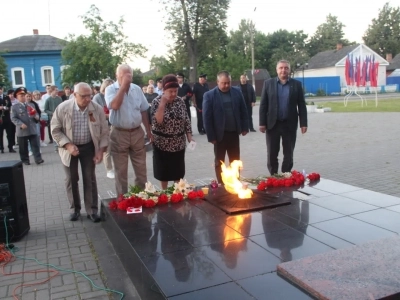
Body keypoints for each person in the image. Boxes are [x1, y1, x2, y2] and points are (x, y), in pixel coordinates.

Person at [51, 82, 109, 222]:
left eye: (90, 96)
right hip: (68, 148)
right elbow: (55, 130)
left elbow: (104, 132)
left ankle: (92, 210)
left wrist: (101, 150)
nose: (88, 99)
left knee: (89, 178)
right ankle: (74, 209)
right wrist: (68, 145)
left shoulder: (97, 108)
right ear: (74, 95)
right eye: (84, 96)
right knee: (71, 179)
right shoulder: (63, 108)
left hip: (88, 147)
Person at [105, 64, 152, 195]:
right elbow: (114, 105)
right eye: (123, 76)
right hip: (119, 133)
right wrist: (123, 87)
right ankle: (122, 199)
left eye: (129, 76)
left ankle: (141, 196)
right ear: (117, 76)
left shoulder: (136, 89)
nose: (127, 79)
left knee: (141, 169)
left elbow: (143, 110)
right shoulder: (110, 89)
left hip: (137, 132)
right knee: (121, 171)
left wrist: (148, 131)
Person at [259, 59, 308, 175]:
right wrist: (262, 123)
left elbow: (301, 104)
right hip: (272, 124)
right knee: (272, 152)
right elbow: (263, 104)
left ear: (289, 70)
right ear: (277, 70)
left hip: (289, 124)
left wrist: (303, 123)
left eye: (286, 68)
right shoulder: (268, 84)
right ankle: (274, 175)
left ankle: (286, 174)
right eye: (281, 68)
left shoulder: (296, 85)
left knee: (289, 153)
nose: (283, 70)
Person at [202, 70, 249, 184]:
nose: (226, 85)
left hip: (233, 133)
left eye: (228, 82)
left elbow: (243, 110)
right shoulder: (209, 95)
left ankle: (235, 183)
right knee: (219, 161)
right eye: (224, 83)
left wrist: (244, 127)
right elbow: (206, 117)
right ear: (218, 82)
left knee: (235, 161)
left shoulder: (237, 92)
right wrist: (211, 136)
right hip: (219, 136)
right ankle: (221, 184)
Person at [151, 74, 194, 189]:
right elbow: (157, 122)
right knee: (163, 173)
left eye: (176, 91)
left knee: (178, 172)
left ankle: (177, 192)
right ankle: (164, 193)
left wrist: (189, 136)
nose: (174, 94)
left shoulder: (180, 101)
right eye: (171, 91)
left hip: (178, 144)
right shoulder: (156, 102)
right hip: (162, 144)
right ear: (164, 90)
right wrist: (162, 104)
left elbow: (186, 120)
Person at [10, 87, 44, 165]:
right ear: (17, 97)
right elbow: (13, 118)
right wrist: (20, 124)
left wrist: (37, 117)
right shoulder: (14, 107)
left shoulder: (31, 105)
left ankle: (38, 159)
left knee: (35, 145)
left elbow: (36, 114)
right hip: (22, 129)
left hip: (32, 128)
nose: (23, 97)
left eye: (24, 95)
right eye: (21, 96)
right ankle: (25, 160)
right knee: (23, 147)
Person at [92, 78, 115, 179]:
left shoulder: (114, 95)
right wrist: (109, 115)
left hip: (116, 125)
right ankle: (109, 169)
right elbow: (94, 114)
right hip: (105, 126)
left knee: (117, 149)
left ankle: (117, 168)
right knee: (107, 149)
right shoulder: (98, 97)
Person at [25, 91, 41, 156]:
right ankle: (30, 150)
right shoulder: (23, 105)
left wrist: (37, 117)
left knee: (37, 136)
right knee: (28, 137)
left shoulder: (33, 104)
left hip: (34, 122)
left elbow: (38, 112)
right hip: (27, 123)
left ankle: (37, 149)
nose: (28, 98)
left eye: (29, 96)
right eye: (27, 96)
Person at [0, 86, 15, 153]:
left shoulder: (6, 97)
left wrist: (4, 107)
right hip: (0, 119)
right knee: (0, 134)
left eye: (1, 89)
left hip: (7, 118)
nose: (0, 90)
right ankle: (1, 148)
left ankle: (10, 147)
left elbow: (9, 106)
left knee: (9, 133)